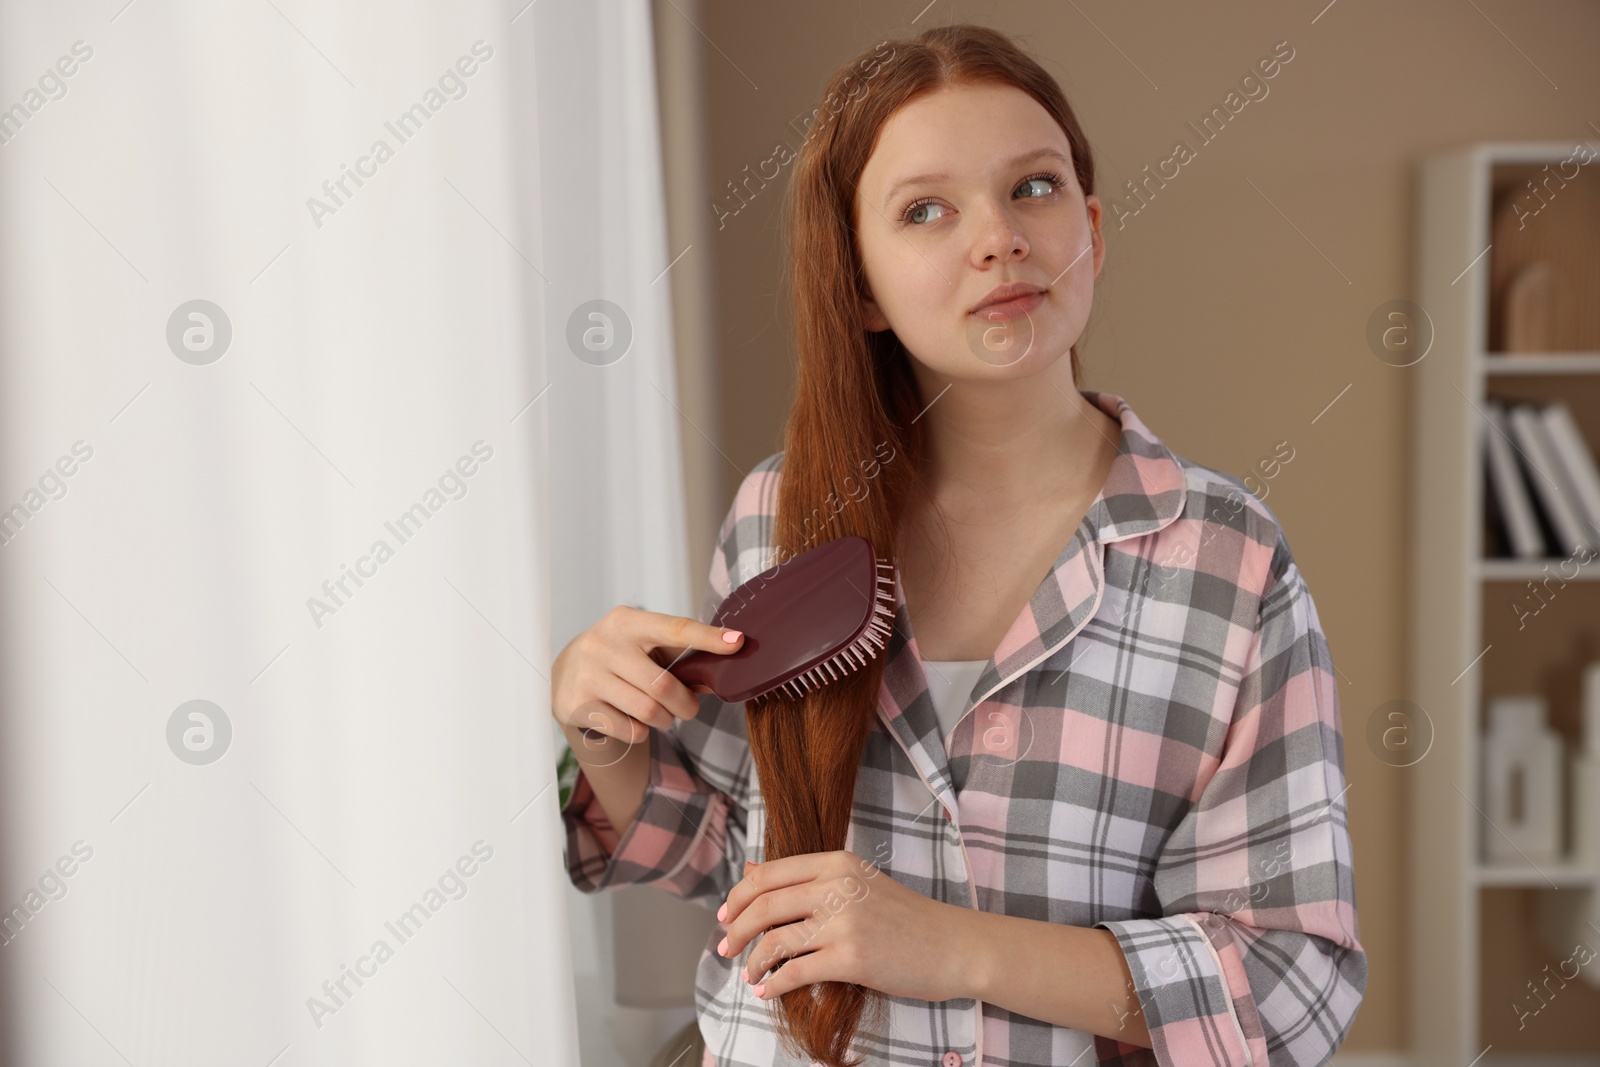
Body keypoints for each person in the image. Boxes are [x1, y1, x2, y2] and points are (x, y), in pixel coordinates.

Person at [553, 23, 1365, 1067]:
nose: (997, 237)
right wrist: (602, 730)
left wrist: (954, 947)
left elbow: (1290, 979)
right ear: (858, 286)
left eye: (1032, 188)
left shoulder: (1226, 562)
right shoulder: (775, 515)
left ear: (1094, 231)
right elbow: (715, 851)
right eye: (925, 210)